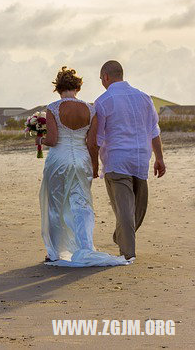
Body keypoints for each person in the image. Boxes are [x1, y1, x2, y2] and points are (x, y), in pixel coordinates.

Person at [40, 67, 129, 267]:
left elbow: (53, 140)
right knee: (82, 204)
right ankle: (85, 245)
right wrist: (95, 166)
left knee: (56, 204)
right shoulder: (90, 109)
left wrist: (40, 139)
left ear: (58, 88)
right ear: (78, 87)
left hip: (59, 160)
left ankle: (55, 252)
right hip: (81, 159)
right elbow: (92, 143)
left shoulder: (53, 108)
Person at [87, 60, 166, 260]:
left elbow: (97, 138)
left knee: (130, 210)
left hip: (118, 160)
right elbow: (154, 132)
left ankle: (122, 238)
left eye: (100, 79)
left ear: (106, 77)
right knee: (132, 209)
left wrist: (94, 164)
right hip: (138, 159)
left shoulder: (103, 101)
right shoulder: (144, 97)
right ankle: (128, 252)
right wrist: (159, 158)